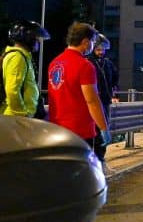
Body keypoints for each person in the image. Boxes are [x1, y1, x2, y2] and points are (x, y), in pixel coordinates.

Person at [47, 22, 111, 152]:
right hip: (80, 131)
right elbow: (92, 101)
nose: (93, 45)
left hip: (57, 128)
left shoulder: (54, 63)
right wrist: (104, 128)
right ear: (85, 42)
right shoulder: (85, 66)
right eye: (93, 42)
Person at [0, 19, 49, 118]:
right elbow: (12, 90)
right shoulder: (17, 57)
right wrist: (22, 115)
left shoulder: (22, 56)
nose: (38, 42)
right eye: (36, 38)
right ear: (28, 38)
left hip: (19, 117)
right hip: (16, 118)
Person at [87, 33, 119, 161]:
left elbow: (115, 80)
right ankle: (92, 158)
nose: (101, 52)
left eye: (103, 49)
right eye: (98, 50)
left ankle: (100, 157)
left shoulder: (108, 64)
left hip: (105, 102)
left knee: (103, 129)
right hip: (92, 102)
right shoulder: (88, 63)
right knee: (93, 131)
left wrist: (113, 93)